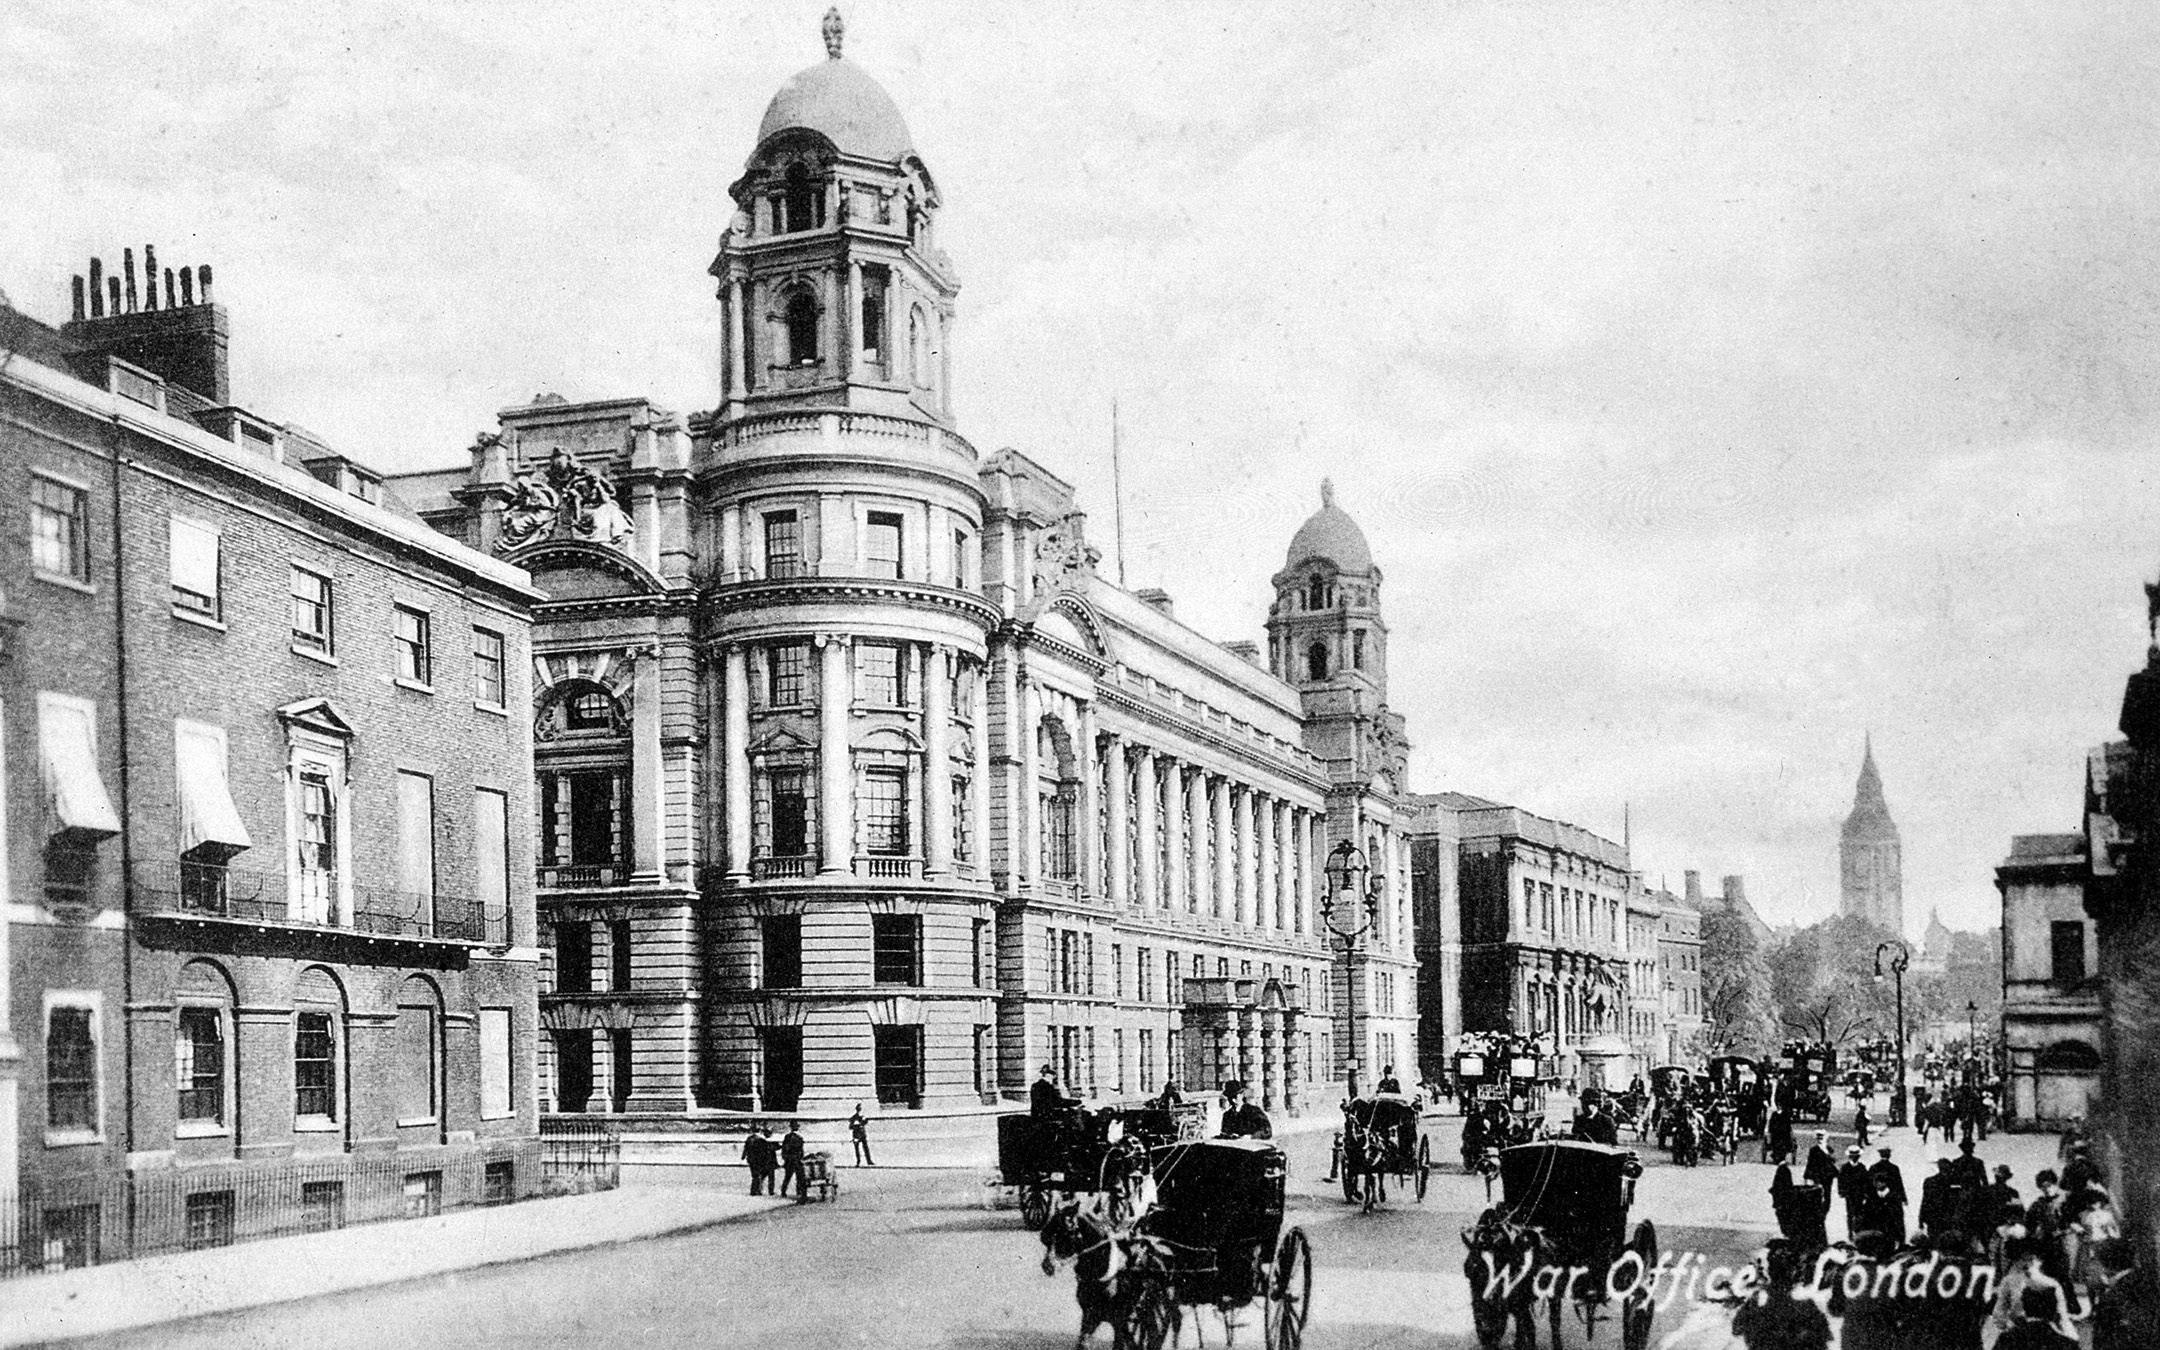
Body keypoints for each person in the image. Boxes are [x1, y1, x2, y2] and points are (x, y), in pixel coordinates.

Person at [1867, 1146, 1908, 1246]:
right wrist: (1903, 1198)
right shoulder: (1894, 1168)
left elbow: (1869, 1184)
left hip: (1877, 1197)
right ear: (1889, 1155)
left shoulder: (1873, 1167)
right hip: (1892, 1197)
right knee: (1896, 1220)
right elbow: (1899, 1184)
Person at [1837, 1145, 1871, 1241]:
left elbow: (1866, 1181)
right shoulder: (1845, 1167)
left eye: (1856, 1156)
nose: (1855, 1158)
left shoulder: (1862, 1167)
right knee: (1850, 1213)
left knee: (1859, 1213)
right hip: (1849, 1194)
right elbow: (1841, 1180)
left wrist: (1866, 1192)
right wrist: (1842, 1191)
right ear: (1849, 1157)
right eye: (1852, 1156)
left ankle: (1858, 1231)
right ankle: (1850, 1232)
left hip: (1860, 1194)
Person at [742, 1121, 777, 1195]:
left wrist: (743, 1156)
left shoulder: (749, 1138)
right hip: (759, 1160)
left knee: (755, 1175)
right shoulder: (761, 1140)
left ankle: (755, 1190)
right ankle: (757, 1191)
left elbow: (746, 1148)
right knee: (759, 1176)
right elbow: (762, 1151)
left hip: (751, 1160)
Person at [780, 1120, 808, 1199]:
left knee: (787, 1177)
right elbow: (800, 1151)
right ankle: (799, 1191)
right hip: (797, 1160)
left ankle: (783, 1191)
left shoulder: (787, 1137)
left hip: (789, 1161)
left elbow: (784, 1149)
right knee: (799, 1177)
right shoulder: (799, 1138)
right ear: (797, 1128)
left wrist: (785, 1158)